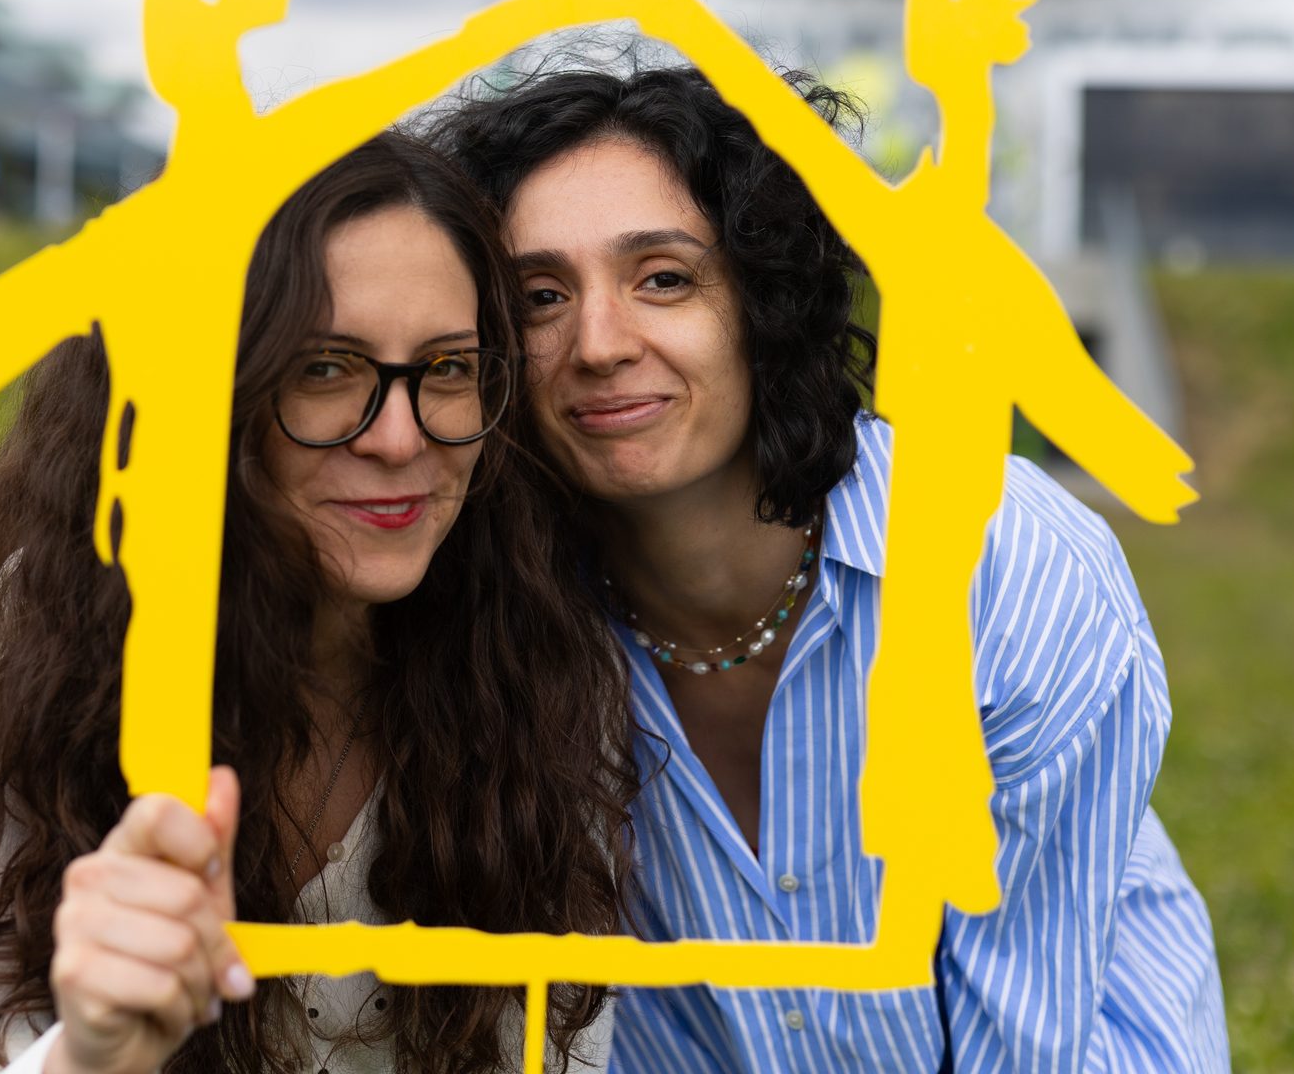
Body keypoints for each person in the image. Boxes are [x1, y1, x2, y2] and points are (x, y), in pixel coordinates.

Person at [433, 66, 1231, 1072]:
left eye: (664, 278)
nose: (597, 343)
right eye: (540, 296)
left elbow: (1027, 1042)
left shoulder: (1004, 568)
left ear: (765, 297)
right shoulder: (493, 620)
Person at [0, 132, 634, 1073]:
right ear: (200, 394)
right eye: (326, 370)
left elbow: (555, 1046)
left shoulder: (537, 659)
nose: (402, 439)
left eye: (448, 367)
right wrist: (94, 1052)